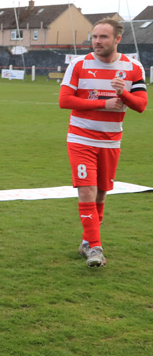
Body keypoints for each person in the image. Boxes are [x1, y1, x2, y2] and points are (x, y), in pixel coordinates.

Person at [59, 18, 147, 268]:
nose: (97, 41)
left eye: (103, 37)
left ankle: (87, 241)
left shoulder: (133, 67)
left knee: (100, 194)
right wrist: (103, 103)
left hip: (111, 141)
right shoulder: (79, 64)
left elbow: (141, 105)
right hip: (81, 138)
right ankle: (95, 248)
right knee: (86, 189)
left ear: (117, 39)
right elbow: (65, 100)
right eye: (94, 37)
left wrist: (123, 93)